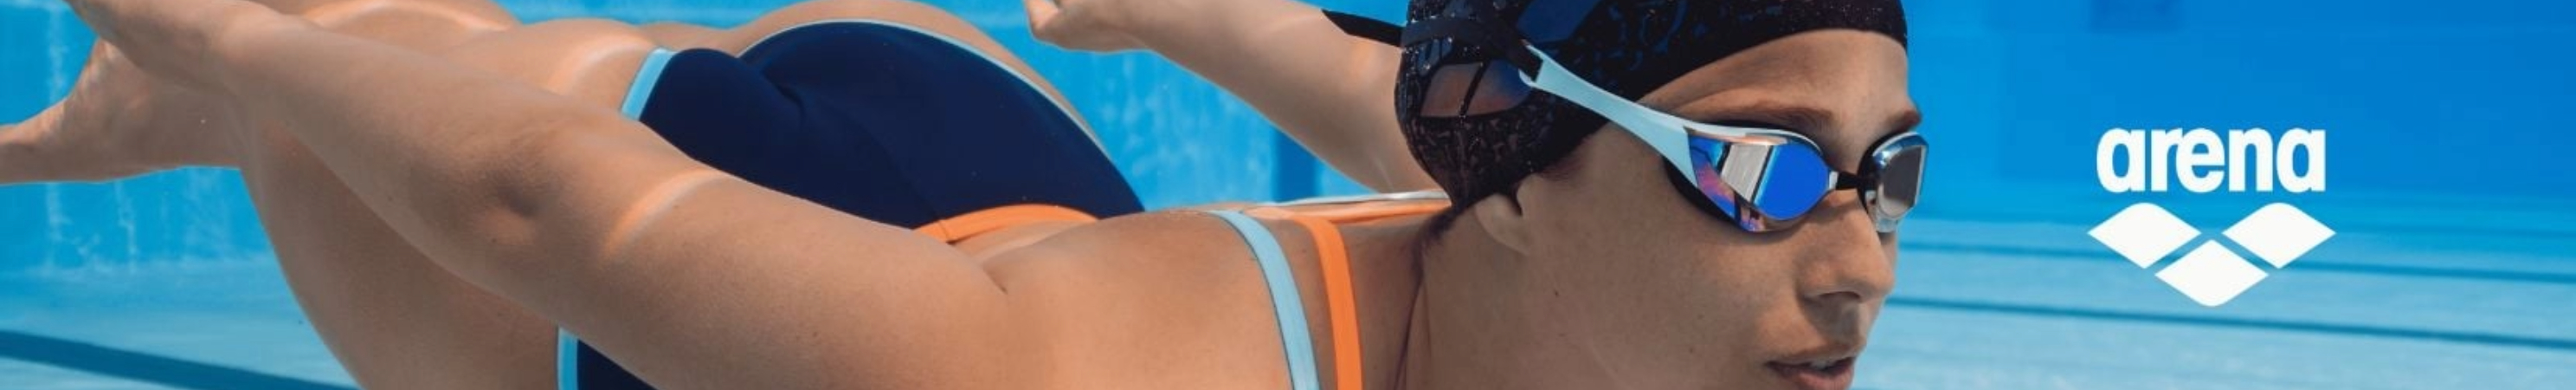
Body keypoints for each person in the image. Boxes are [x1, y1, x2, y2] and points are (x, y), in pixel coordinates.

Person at [2, 0, 1924, 388]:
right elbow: (548, 209)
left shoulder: (1523, 182)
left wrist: (1180, 18)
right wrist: (220, 37)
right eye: (1763, 174)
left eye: (1889, 173)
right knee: (297, 93)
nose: (1864, 272)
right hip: (785, 301)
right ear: (1517, 180)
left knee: (463, 39)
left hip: (974, 132)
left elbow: (1391, 104)